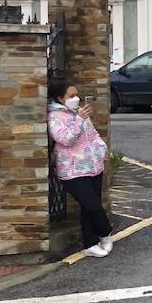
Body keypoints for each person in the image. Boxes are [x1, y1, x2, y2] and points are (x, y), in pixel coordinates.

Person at [48, 79, 113, 257]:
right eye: (71, 96)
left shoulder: (79, 113)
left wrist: (101, 149)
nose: (76, 98)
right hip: (72, 170)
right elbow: (65, 139)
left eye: (77, 95)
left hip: (93, 165)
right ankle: (105, 231)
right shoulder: (56, 117)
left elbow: (92, 134)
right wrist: (79, 119)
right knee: (91, 205)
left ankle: (90, 244)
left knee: (88, 207)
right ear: (60, 98)